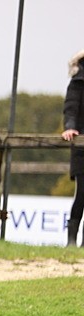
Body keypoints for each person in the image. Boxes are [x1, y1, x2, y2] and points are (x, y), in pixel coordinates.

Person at [62, 49, 84, 246]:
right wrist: (70, 127)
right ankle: (71, 240)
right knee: (82, 193)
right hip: (81, 148)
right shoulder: (78, 82)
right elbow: (71, 108)